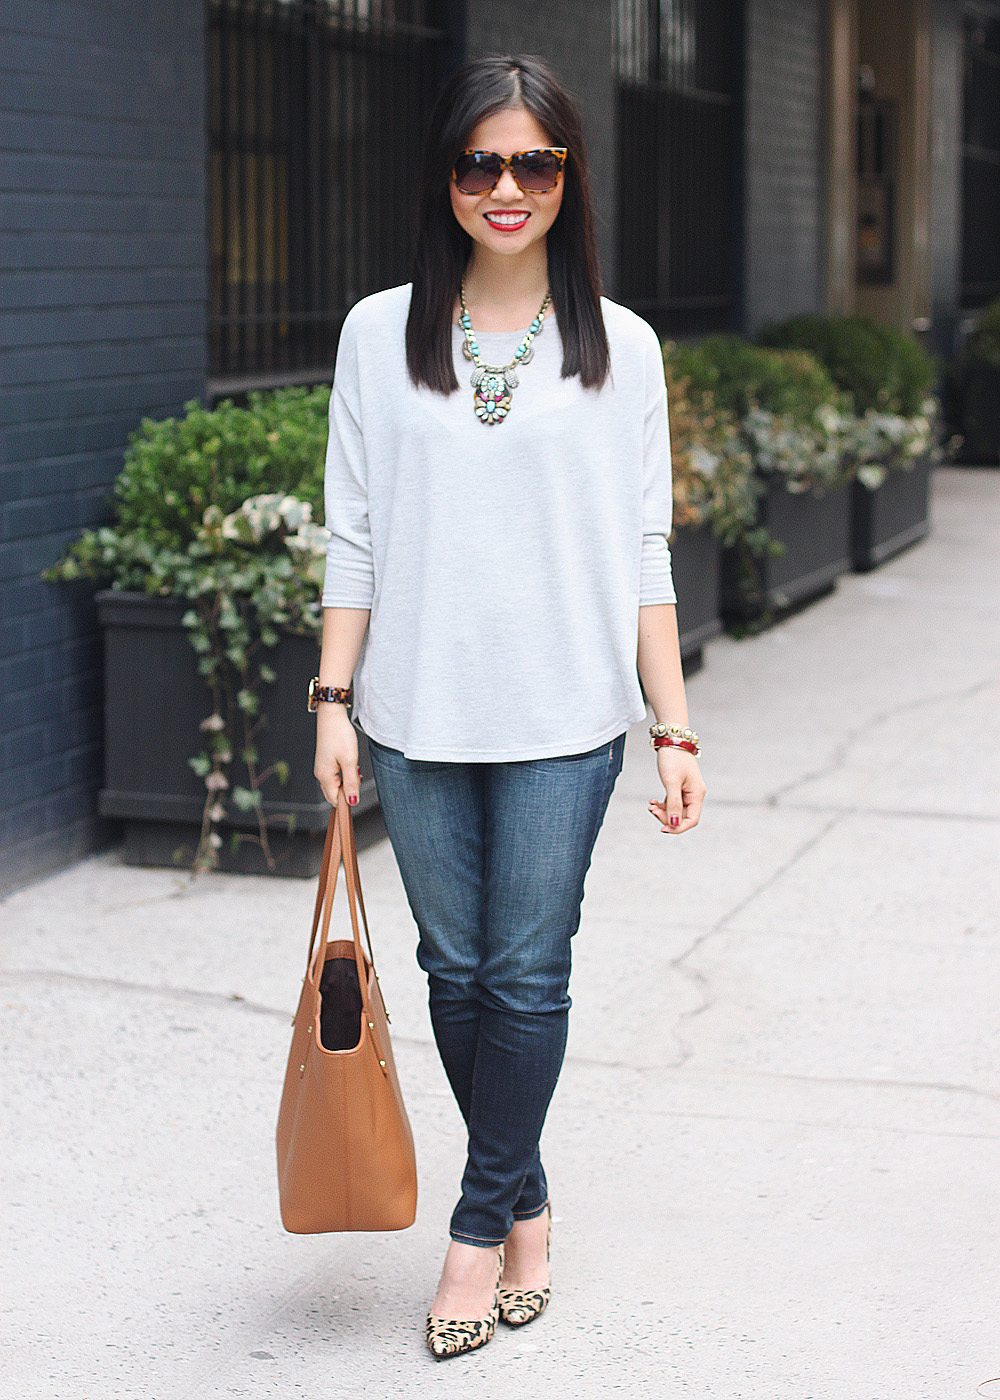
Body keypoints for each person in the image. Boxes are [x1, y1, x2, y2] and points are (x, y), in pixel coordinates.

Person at [312, 53, 705, 1360]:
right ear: (446, 174)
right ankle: (528, 1199)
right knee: (455, 970)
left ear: (568, 177)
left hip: (565, 721)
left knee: (526, 974)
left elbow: (645, 550)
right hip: (415, 717)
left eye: (535, 162)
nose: (507, 186)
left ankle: (477, 1237)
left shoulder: (621, 348)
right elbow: (354, 538)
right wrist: (331, 699)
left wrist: (672, 725)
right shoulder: (378, 335)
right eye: (482, 160)